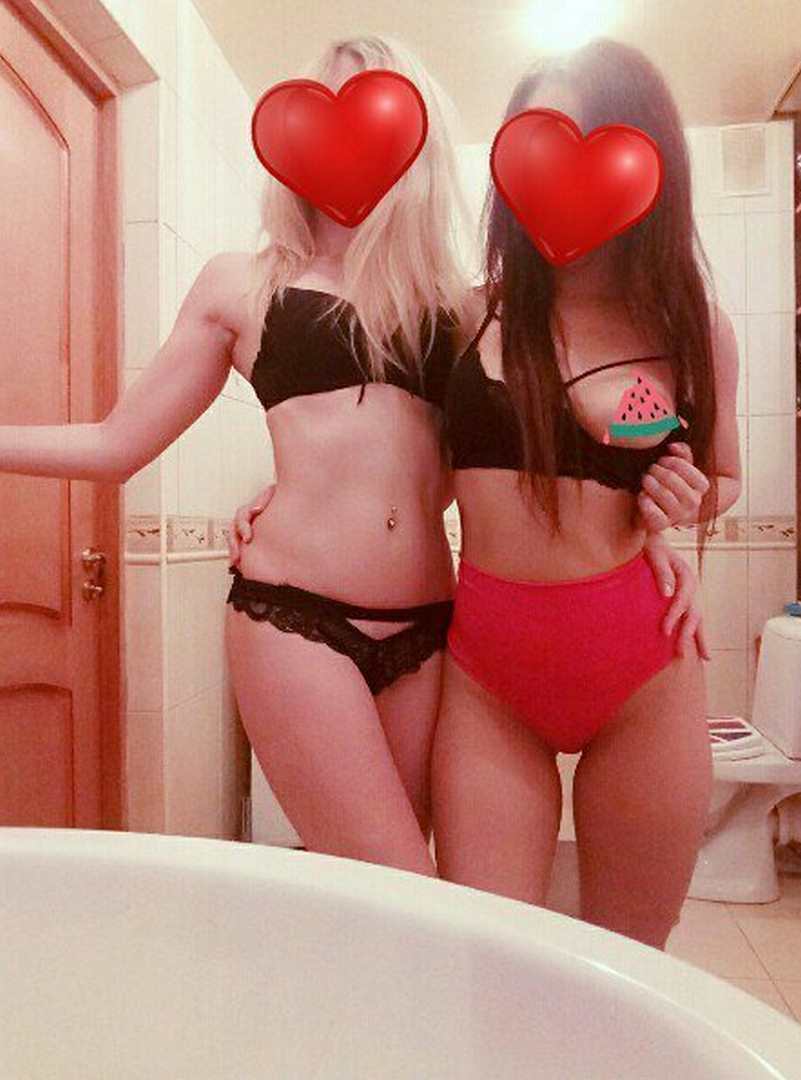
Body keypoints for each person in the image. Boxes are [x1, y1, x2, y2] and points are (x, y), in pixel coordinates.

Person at [1, 33, 706, 886]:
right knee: (398, 887)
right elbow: (116, 446)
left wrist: (646, 530)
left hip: (431, 631)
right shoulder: (240, 284)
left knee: (392, 905)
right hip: (293, 616)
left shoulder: (457, 307)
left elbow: (514, 460)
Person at [424, 38, 741, 949]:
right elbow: (400, 474)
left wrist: (682, 501)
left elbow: (722, 478)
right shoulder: (467, 314)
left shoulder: (693, 327)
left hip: (642, 667)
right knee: (492, 953)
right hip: (487, 676)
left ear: (645, 160)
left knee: (632, 960)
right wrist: (288, 506)